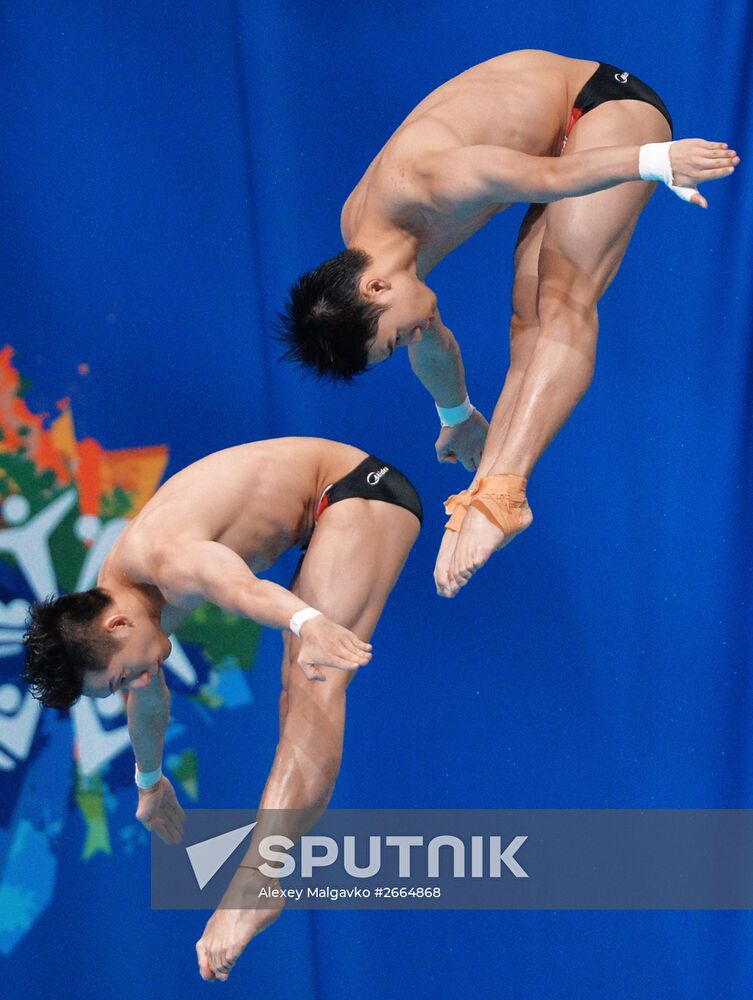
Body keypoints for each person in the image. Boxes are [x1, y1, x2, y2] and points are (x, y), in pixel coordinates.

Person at [278, 50, 739, 597]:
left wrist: (656, 160)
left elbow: (550, 175)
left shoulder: (426, 182)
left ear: (374, 289)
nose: (411, 335)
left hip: (599, 107)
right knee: (528, 323)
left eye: (395, 336)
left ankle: (503, 494)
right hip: (554, 152)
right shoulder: (373, 255)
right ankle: (483, 494)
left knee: (564, 297)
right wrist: (456, 413)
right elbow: (432, 342)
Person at [22, 437, 422, 982]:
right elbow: (147, 701)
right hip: (326, 516)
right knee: (296, 693)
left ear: (116, 626)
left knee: (315, 679)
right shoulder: (123, 603)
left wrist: (309, 624)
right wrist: (149, 780)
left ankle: (258, 877)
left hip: (358, 492)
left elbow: (241, 590)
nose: (137, 681)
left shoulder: (169, 560)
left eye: (123, 675)